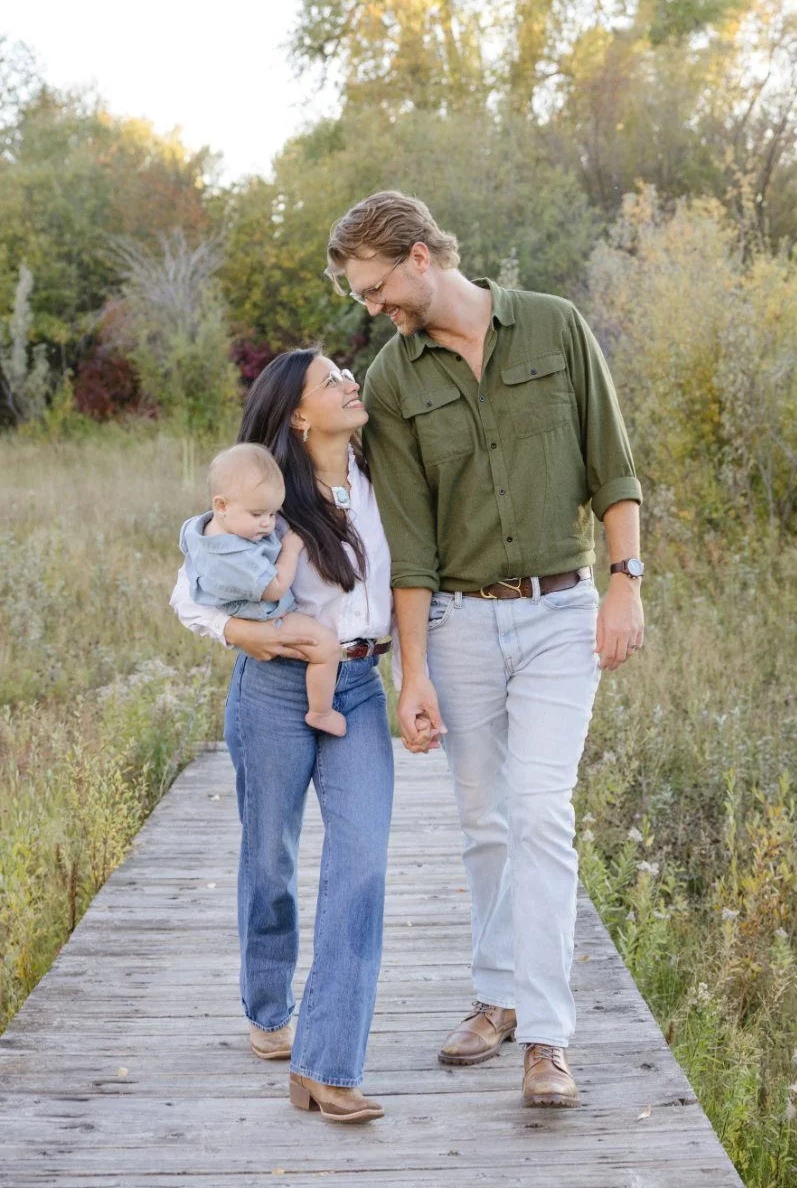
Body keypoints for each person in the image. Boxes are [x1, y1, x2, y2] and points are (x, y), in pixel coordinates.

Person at [325, 190, 645, 1109]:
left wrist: (625, 579)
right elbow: (411, 546)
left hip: (560, 615)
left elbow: (612, 463)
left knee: (541, 811)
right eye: (363, 297)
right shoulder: (390, 381)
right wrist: (412, 671)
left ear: (421, 257)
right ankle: (496, 997)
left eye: (379, 288)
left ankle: (547, 1036)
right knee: (484, 823)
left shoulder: (554, 326)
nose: (374, 308)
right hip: (459, 625)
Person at [170, 349, 394, 1123]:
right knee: (271, 857)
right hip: (273, 688)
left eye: (346, 374)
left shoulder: (383, 473)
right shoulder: (265, 496)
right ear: (299, 415)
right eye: (332, 380)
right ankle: (269, 1011)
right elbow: (189, 587)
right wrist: (242, 632)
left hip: (360, 686)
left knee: (362, 861)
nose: (349, 383)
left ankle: (327, 1065)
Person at [180, 442, 347, 736]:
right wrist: (291, 550)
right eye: (258, 514)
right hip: (267, 617)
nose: (268, 524)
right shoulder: (236, 557)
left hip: (256, 614)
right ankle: (321, 711)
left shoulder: (202, 529)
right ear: (221, 506)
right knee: (327, 647)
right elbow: (274, 588)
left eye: (272, 514)